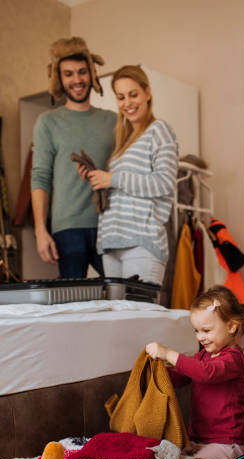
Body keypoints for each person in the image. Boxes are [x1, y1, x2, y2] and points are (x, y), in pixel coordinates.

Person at [83, 64, 178, 285]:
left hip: (141, 243)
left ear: (147, 92)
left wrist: (113, 179)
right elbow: (124, 189)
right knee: (120, 319)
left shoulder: (159, 130)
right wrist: (99, 180)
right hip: (112, 243)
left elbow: (164, 183)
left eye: (133, 94)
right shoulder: (123, 141)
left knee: (141, 317)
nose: (127, 103)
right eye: (121, 97)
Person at [31, 36, 117, 278]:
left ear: (91, 73)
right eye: (68, 74)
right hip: (67, 228)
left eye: (82, 72)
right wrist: (40, 230)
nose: (77, 80)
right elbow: (40, 176)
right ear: (59, 79)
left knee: (120, 303)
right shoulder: (47, 122)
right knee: (72, 306)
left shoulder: (113, 121)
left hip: (110, 225)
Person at [146, 285, 244, 459]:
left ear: (231, 327)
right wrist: (158, 372)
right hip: (198, 440)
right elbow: (181, 377)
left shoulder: (233, 359)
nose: (200, 337)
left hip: (227, 442)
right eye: (196, 331)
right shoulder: (203, 356)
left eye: (206, 330)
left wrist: (168, 353)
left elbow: (206, 372)